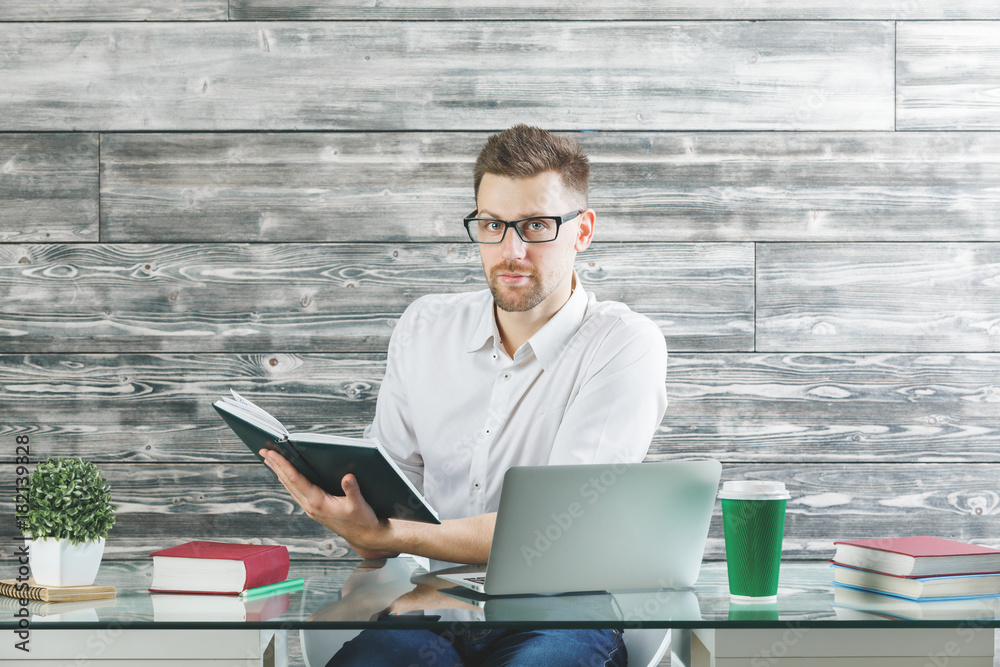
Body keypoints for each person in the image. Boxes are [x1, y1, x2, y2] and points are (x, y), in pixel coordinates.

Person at [260, 124, 668, 666]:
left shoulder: (623, 343)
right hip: (425, 610)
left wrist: (390, 533)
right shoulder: (425, 328)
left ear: (583, 230)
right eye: (493, 225)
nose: (512, 250)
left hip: (560, 619)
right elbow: (375, 533)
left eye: (537, 225)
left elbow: (550, 536)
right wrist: (349, 518)